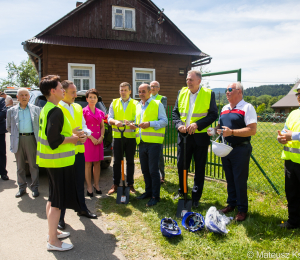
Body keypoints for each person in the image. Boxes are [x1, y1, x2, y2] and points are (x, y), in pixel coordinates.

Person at [37, 75, 81, 251]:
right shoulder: (55, 110)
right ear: (52, 91)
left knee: (52, 199)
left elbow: (54, 133)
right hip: (58, 163)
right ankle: (53, 241)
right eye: (60, 88)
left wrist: (73, 133)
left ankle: (52, 232)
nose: (64, 90)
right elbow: (54, 139)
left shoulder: (47, 108)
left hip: (51, 162)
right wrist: (73, 139)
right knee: (56, 203)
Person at [207, 82, 257, 221]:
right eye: (226, 90)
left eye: (230, 90)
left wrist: (232, 132)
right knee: (229, 178)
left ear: (239, 92)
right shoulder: (224, 108)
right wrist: (214, 131)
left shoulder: (247, 107)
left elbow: (252, 129)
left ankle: (242, 209)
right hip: (226, 148)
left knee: (239, 179)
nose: (227, 92)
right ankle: (231, 203)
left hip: (241, 148)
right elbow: (220, 127)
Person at [172, 70, 218, 208]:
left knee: (199, 168)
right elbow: (175, 113)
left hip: (200, 137)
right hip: (184, 136)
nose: (188, 82)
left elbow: (213, 115)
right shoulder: (182, 93)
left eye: (191, 79)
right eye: (187, 79)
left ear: (199, 81)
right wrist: (179, 125)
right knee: (181, 165)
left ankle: (196, 196)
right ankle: (182, 190)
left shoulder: (209, 94)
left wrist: (198, 124)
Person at [57, 81, 97, 230]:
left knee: (79, 182)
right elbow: (56, 134)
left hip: (79, 151)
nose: (76, 95)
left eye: (75, 92)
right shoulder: (57, 108)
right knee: (63, 186)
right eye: (73, 92)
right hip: (64, 154)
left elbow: (83, 125)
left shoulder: (78, 107)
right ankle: (60, 217)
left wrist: (86, 133)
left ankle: (82, 208)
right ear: (63, 92)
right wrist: (73, 134)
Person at [128, 84, 168, 207]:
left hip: (154, 143)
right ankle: (148, 192)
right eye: (139, 91)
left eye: (143, 91)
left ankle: (155, 196)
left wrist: (150, 123)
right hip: (142, 142)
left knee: (153, 171)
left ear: (150, 92)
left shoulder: (158, 104)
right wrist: (133, 124)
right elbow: (139, 122)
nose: (141, 94)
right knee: (145, 170)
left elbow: (165, 121)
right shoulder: (138, 106)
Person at [6, 88, 40, 198]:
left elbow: (40, 125)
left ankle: (35, 188)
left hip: (31, 139)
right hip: (18, 139)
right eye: (22, 95)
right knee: (20, 166)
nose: (24, 97)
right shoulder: (11, 110)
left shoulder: (36, 109)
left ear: (29, 97)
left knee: (33, 165)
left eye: (26, 95)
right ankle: (22, 188)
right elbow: (9, 127)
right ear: (17, 97)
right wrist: (17, 134)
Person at [107, 82, 138, 195]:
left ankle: (130, 184)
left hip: (130, 137)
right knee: (116, 162)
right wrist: (115, 122)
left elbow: (138, 118)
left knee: (130, 161)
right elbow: (109, 117)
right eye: (121, 90)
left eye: (125, 90)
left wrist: (132, 123)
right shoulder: (114, 102)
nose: (123, 92)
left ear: (130, 91)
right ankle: (115, 184)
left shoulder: (136, 103)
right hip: (117, 137)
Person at [277, 84, 300, 229]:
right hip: (290, 161)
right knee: (292, 193)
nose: (299, 96)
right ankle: (293, 221)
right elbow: (285, 131)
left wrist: (294, 135)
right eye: (298, 93)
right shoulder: (293, 114)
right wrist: (280, 138)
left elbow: (292, 134)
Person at [83, 89, 105, 197]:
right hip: (88, 140)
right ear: (87, 99)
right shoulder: (83, 111)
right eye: (90, 97)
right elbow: (82, 127)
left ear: (97, 99)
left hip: (98, 140)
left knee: (97, 163)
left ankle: (96, 185)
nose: (92, 99)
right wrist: (91, 137)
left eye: (94, 97)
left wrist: (101, 137)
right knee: (88, 164)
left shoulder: (100, 112)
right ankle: (89, 186)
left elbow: (102, 126)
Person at [150, 81, 167, 183]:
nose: (152, 88)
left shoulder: (162, 98)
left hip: (157, 129)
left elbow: (162, 111)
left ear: (158, 88)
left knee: (159, 153)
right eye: (151, 86)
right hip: (147, 130)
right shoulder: (146, 98)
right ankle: (151, 174)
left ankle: (161, 175)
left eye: (155, 87)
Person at [0, 96, 8, 181]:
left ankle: (3, 172)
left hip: (0, 132)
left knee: (1, 152)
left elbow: (3, 113)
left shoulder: (1, 100)